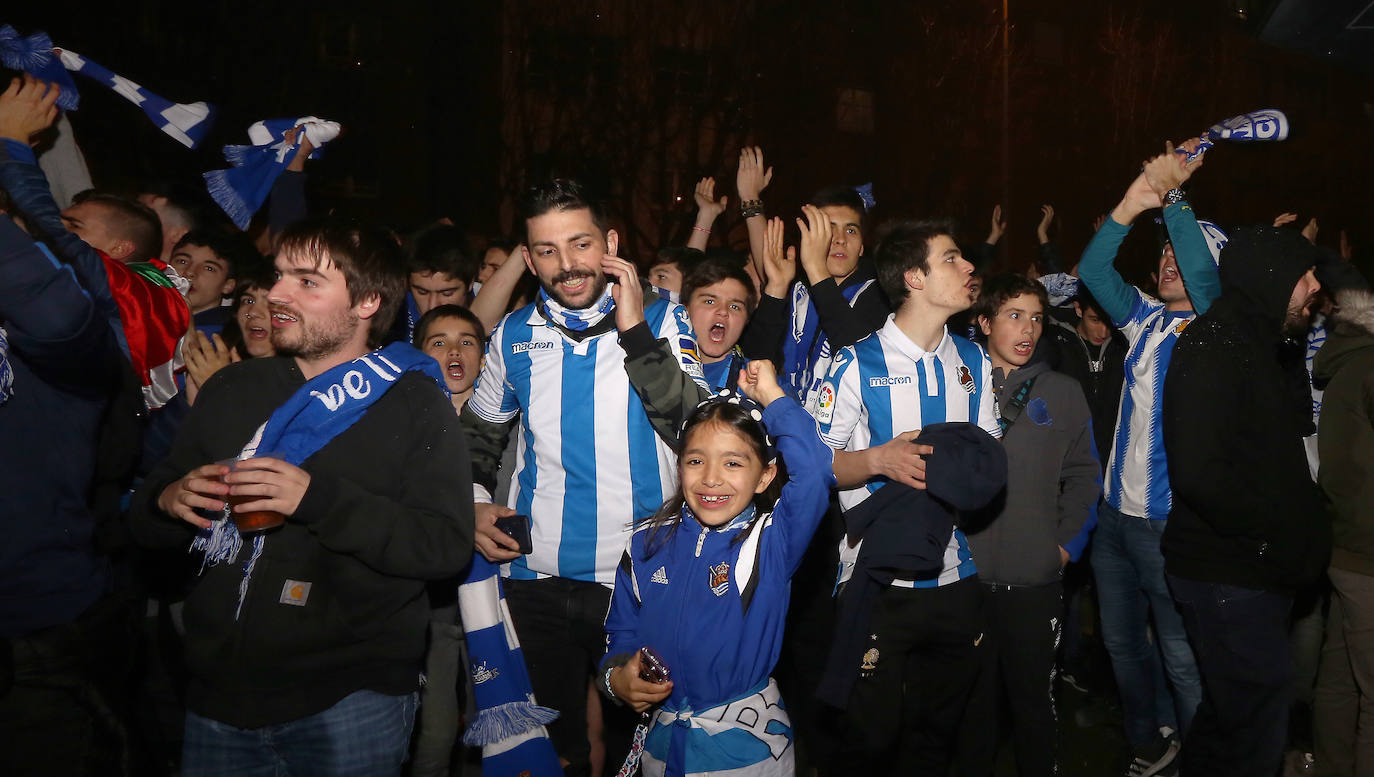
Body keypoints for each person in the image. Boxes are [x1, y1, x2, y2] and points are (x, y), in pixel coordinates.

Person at [128, 217, 475, 776]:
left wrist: (318, 500)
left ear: (366, 302)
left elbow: (443, 547)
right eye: (280, 276)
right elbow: (146, 522)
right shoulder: (233, 389)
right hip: (218, 697)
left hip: (350, 701)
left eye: (307, 282)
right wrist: (168, 501)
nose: (276, 295)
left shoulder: (415, 403)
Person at [459, 177, 707, 774]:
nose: (566, 265)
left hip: (640, 576)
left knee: (638, 751)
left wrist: (636, 333)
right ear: (529, 257)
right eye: (547, 250)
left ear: (611, 243)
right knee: (552, 755)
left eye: (580, 244)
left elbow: (695, 428)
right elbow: (477, 437)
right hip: (532, 580)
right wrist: (469, 503)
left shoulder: (665, 317)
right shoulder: (514, 335)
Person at [812, 216, 999, 771]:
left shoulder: (973, 360)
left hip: (957, 580)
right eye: (952, 259)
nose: (969, 268)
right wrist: (876, 460)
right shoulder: (853, 362)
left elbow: (988, 450)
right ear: (914, 278)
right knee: (869, 743)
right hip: (878, 583)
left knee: (936, 738)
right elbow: (810, 465)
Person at [600, 359, 834, 775]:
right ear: (679, 466)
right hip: (663, 745)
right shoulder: (645, 545)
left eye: (733, 463)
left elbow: (815, 472)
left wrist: (773, 399)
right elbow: (621, 631)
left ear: (765, 477)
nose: (711, 478)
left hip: (747, 751)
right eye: (695, 461)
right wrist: (617, 678)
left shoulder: (770, 543)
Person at [1161, 225, 1326, 777]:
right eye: (1303, 275)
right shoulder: (1213, 345)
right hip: (1229, 576)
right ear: (1271, 279)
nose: (1314, 287)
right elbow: (1201, 475)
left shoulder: (1266, 344)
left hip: (1254, 572)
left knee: (1230, 717)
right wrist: (1274, 540)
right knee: (1255, 731)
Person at [1076, 139, 1218, 776]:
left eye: (1179, 252)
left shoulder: (1217, 332)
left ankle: (1202, 757)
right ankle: (1148, 741)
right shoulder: (1147, 321)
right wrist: (1132, 207)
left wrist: (1175, 196)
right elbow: (1094, 272)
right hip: (1114, 522)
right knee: (1122, 644)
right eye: (1161, 253)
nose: (1167, 260)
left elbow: (1205, 276)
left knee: (1184, 657)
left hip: (1168, 529)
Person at [956, 273, 1101, 777]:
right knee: (969, 713)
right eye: (1014, 315)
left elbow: (1085, 476)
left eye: (1037, 318)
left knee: (1034, 710)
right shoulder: (954, 384)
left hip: (1033, 580)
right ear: (983, 322)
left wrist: (1063, 548)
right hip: (961, 581)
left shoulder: (1062, 392)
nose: (1029, 329)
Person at [1313, 284, 1374, 777]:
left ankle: (1331, 766)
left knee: (1340, 675)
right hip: (1369, 554)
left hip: (1343, 546)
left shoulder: (1346, 367)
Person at [681, 254, 757, 391]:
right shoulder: (659, 370)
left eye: (735, 306)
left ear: (746, 320)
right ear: (685, 310)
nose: (723, 311)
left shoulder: (758, 383)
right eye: (709, 301)